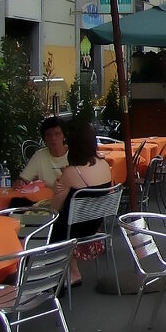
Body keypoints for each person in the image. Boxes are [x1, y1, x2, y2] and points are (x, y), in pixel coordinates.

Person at [50, 121, 113, 285]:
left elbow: (54, 210)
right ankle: (73, 271)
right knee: (67, 219)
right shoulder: (105, 165)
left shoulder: (71, 172)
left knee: (47, 225)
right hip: (95, 224)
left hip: (72, 230)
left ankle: (44, 274)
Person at [16, 116, 69, 188]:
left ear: (64, 136)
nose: (53, 138)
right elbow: (24, 180)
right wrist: (20, 183)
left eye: (57, 133)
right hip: (45, 198)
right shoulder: (40, 155)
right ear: (44, 138)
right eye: (48, 135)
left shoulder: (75, 154)